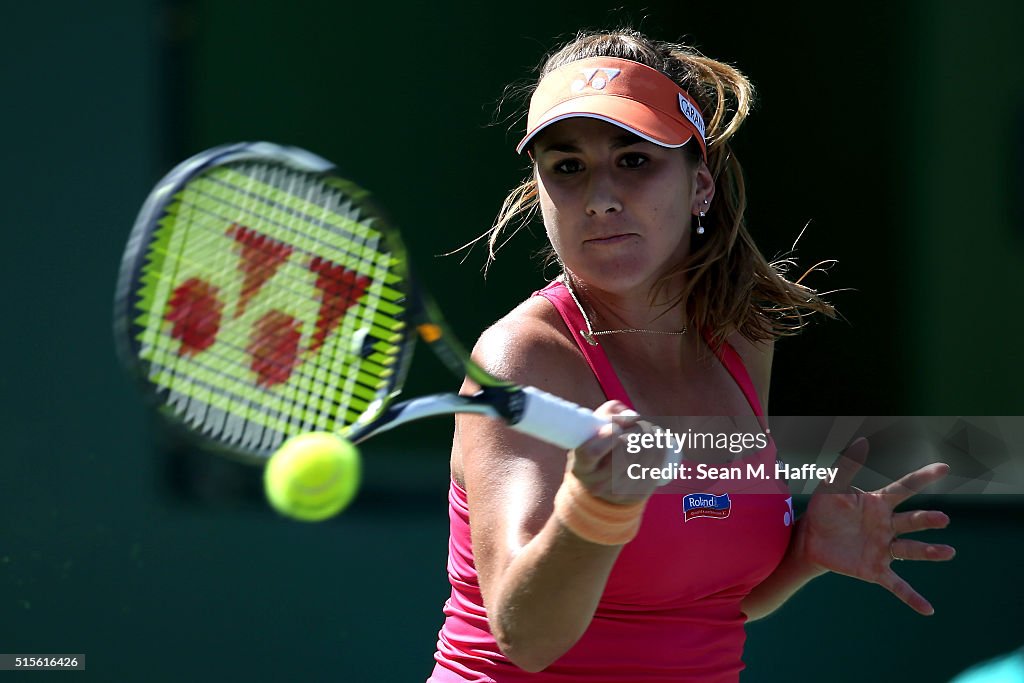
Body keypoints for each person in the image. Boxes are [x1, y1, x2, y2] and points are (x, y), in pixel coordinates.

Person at [428, 28, 956, 682]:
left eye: (634, 159)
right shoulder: (523, 357)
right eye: (568, 168)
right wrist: (594, 509)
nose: (599, 197)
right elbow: (526, 636)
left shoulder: (741, 340)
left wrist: (805, 555)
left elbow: (703, 602)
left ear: (699, 185)